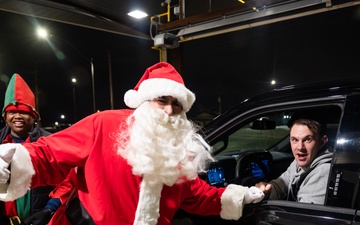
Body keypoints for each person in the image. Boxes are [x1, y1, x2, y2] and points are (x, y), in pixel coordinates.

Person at [0, 62, 264, 225]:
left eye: (177, 104)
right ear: (145, 100)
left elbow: (198, 196)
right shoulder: (104, 124)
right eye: (162, 100)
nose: (170, 111)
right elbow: (50, 155)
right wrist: (9, 163)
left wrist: (240, 196)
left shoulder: (178, 153)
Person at [0, 74, 62, 225]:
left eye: (24, 112)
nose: (17, 116)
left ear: (34, 116)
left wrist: (49, 210)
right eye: (12, 112)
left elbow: (66, 182)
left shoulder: (49, 143)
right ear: (5, 116)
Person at [255, 112, 333, 204]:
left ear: (322, 142)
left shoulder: (323, 171)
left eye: (308, 139)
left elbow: (303, 216)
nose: (300, 147)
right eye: (295, 140)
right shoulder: (298, 163)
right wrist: (266, 190)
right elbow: (281, 186)